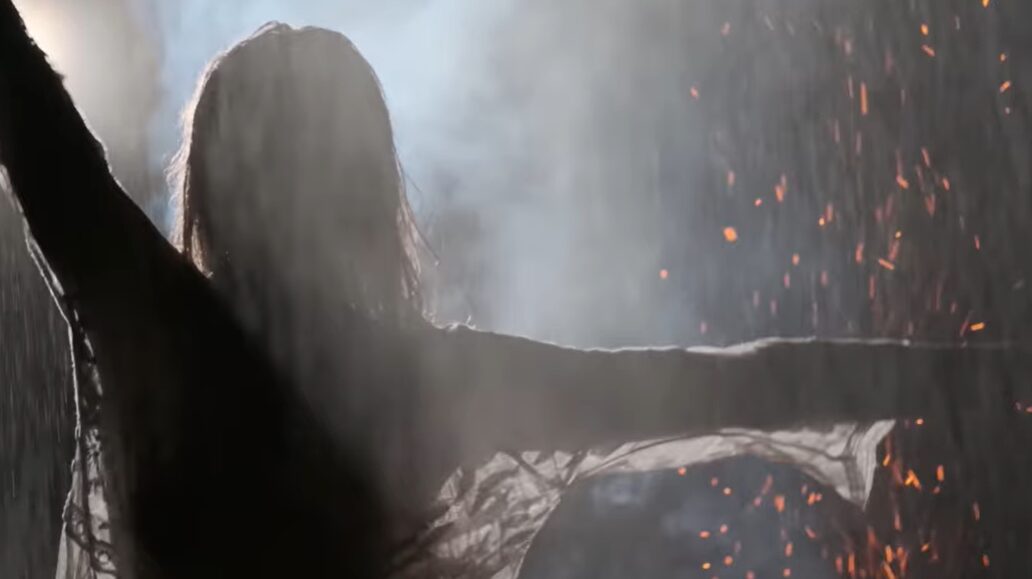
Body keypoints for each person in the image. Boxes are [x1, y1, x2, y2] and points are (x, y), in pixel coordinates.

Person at [0, 4, 1026, 578]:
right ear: (366, 187)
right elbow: (738, 382)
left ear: (210, 179)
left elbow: (33, 119)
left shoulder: (154, 323)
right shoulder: (424, 385)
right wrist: (977, 373)